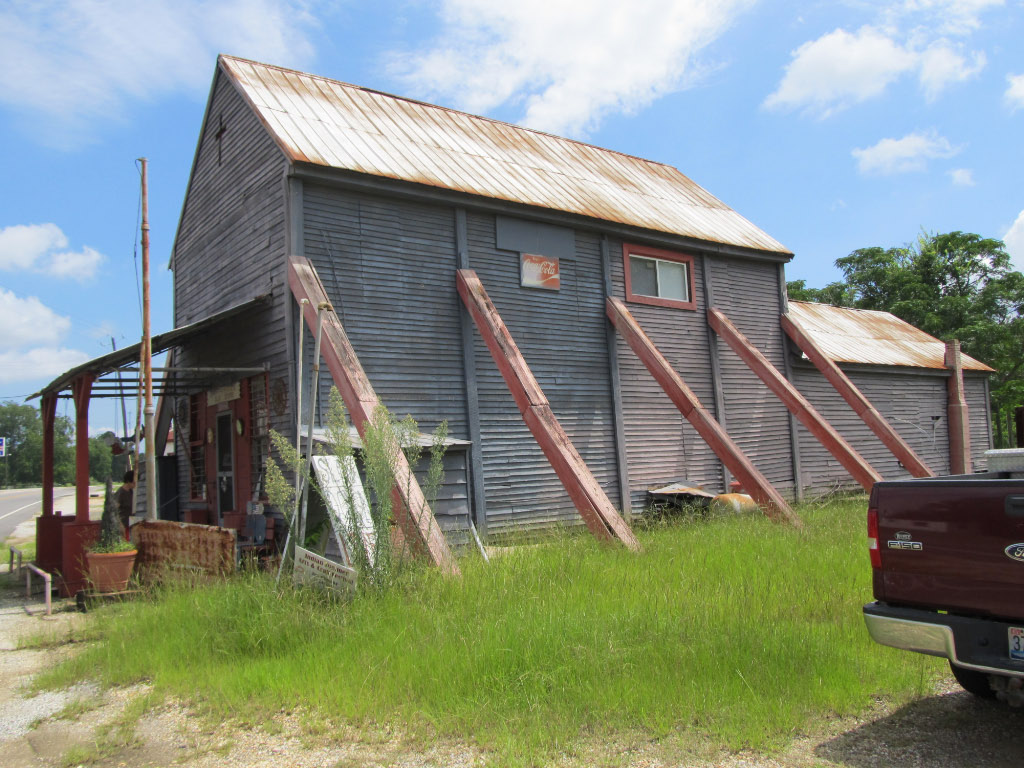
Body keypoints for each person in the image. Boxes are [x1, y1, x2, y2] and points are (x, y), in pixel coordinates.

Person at [116, 469, 136, 535]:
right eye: (133, 482)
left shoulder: (131, 491)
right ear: (128, 481)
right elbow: (115, 510)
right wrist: (119, 524)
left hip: (131, 524)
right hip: (122, 525)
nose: (135, 485)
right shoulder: (120, 493)